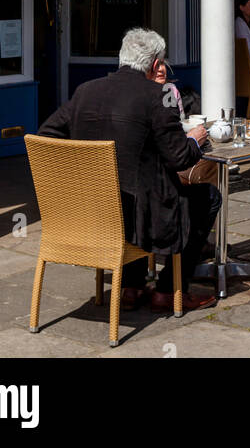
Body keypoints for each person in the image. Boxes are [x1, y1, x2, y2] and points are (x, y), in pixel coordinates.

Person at [39, 27, 220, 313]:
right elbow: (179, 159)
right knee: (207, 196)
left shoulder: (86, 91)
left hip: (91, 211)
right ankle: (169, 290)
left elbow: (46, 134)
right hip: (139, 216)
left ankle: (132, 286)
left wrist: (77, 171)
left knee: (133, 187)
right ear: (157, 64)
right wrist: (195, 141)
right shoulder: (160, 95)